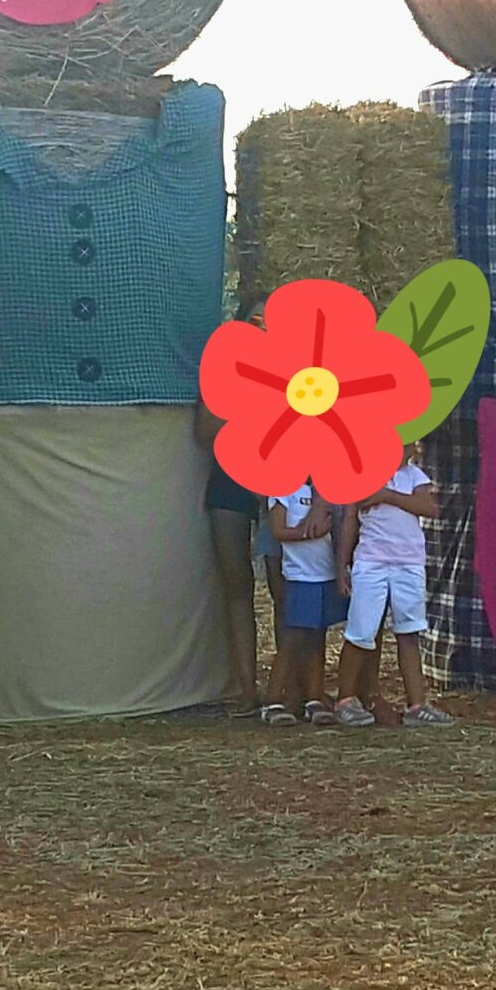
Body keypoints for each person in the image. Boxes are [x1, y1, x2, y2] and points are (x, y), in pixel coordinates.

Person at [333, 443, 452, 728]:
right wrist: (341, 566)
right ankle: (345, 699)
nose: (407, 449)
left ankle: (416, 704)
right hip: (371, 563)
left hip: (408, 564)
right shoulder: (361, 473)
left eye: (410, 445)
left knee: (409, 631)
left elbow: (431, 507)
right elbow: (352, 514)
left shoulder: (415, 476)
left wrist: (387, 495)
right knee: (361, 632)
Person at [198, 299, 271, 715]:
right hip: (229, 484)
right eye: (254, 320)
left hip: (280, 488)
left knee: (284, 588)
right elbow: (202, 430)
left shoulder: (299, 373)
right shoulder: (223, 371)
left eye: (270, 323)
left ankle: (287, 688)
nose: (262, 329)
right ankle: (247, 688)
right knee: (237, 584)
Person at [263, 482, 348, 726]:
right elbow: (278, 531)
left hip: (325, 573)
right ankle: (273, 700)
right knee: (292, 639)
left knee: (317, 637)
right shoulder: (282, 492)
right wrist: (309, 532)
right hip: (300, 576)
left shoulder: (326, 490)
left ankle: (313, 697)